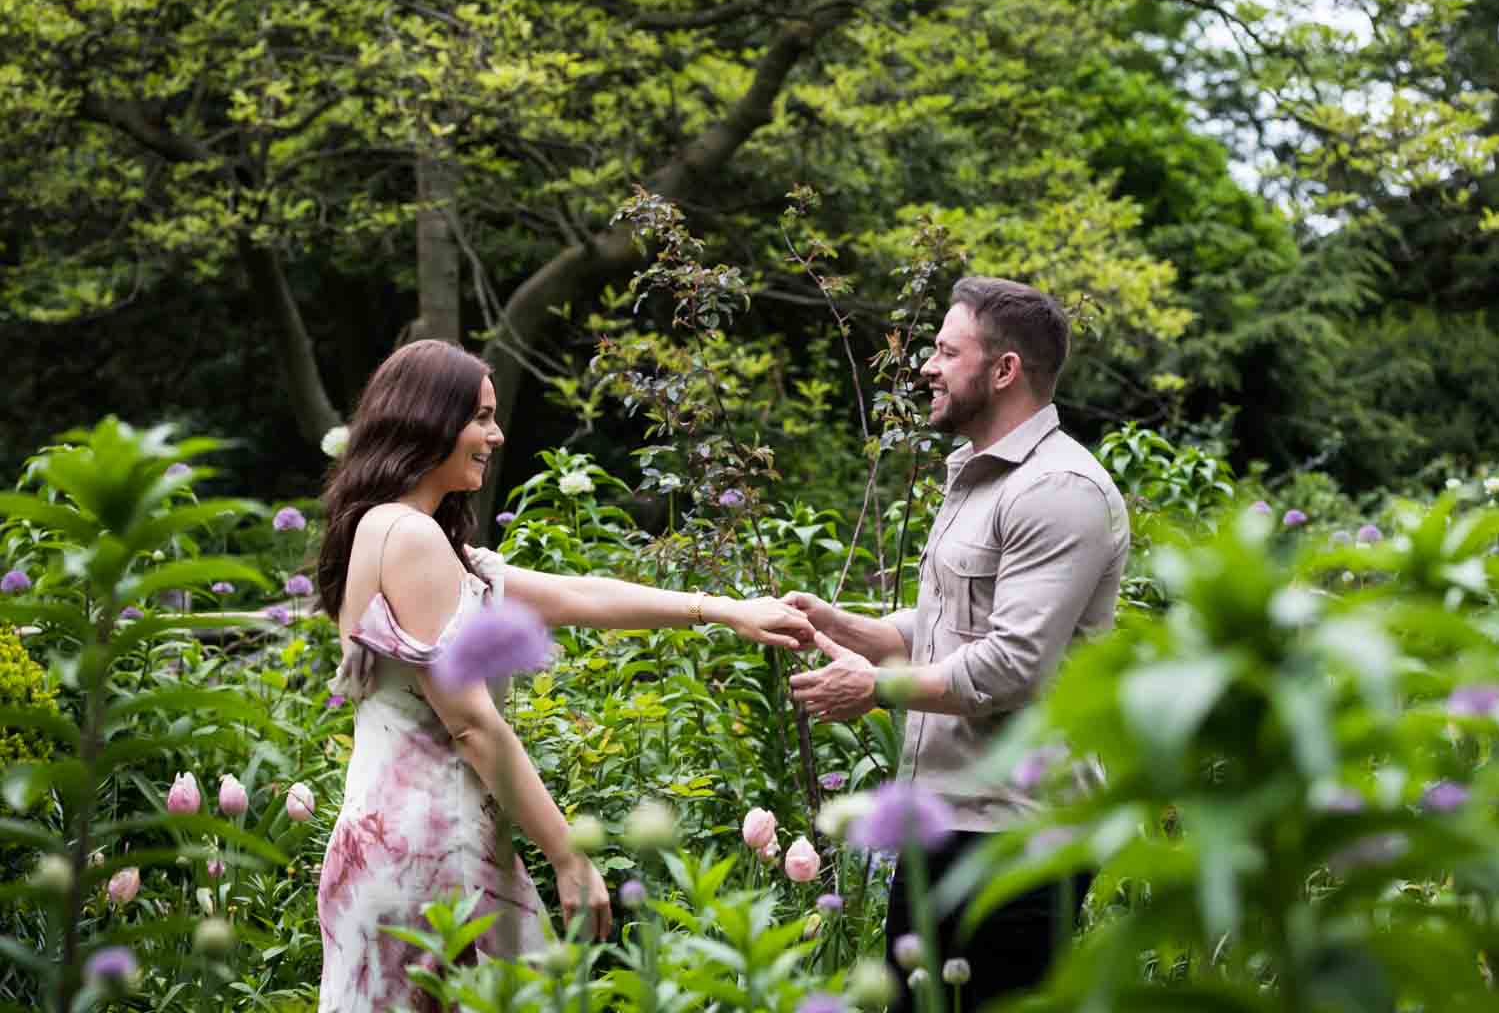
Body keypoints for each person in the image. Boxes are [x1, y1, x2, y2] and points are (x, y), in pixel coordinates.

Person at [313, 338, 809, 1013]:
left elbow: (577, 595)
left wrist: (718, 610)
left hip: (384, 842)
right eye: (480, 416)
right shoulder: (411, 537)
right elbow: (469, 724)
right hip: (432, 853)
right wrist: (568, 856)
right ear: (429, 419)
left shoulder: (386, 530)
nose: (496, 432)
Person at [786, 277, 1129, 1011]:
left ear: (1003, 370)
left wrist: (872, 688)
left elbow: (1012, 664)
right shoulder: (975, 477)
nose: (925, 368)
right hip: (945, 820)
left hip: (1016, 836)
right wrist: (841, 626)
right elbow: (945, 626)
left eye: (946, 351)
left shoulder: (1057, 490)